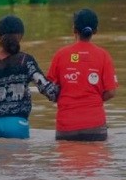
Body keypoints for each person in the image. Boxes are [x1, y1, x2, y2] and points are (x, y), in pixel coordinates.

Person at [46, 9, 118, 141]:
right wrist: (92, 100)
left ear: (74, 29)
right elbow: (111, 92)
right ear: (95, 30)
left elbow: (49, 89)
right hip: (95, 125)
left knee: (66, 161)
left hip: (66, 126)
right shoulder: (103, 56)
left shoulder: (60, 55)